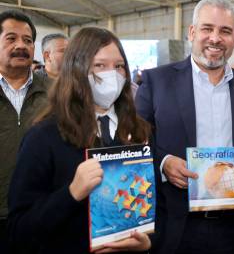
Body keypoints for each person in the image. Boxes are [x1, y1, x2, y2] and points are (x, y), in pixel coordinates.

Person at [135, 0, 234, 254]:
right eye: (207, 28)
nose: (215, 38)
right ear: (192, 32)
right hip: (176, 225)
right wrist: (164, 163)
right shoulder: (158, 82)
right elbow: (133, 144)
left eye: (225, 31)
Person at [8, 27, 152, 254]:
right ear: (76, 69)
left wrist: (147, 243)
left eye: (119, 66)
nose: (112, 74)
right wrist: (71, 193)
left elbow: (154, 207)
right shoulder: (44, 137)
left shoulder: (139, 130)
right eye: (99, 66)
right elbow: (19, 228)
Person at [0, 10, 49, 254]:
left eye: (28, 40)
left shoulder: (58, 93)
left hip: (42, 215)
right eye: (11, 38)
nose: (21, 45)